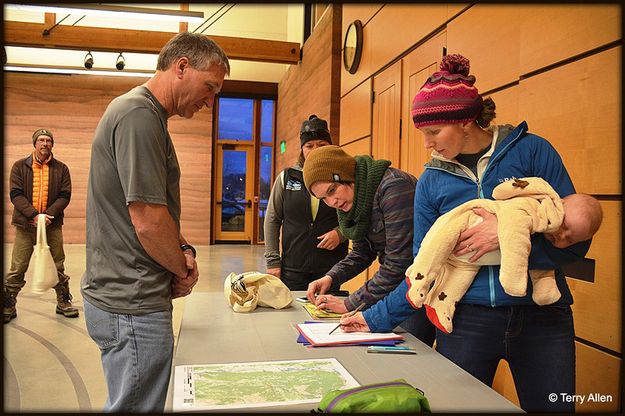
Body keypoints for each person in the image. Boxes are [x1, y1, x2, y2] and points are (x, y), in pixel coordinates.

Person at [339, 54, 592, 412]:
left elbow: (576, 240)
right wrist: (372, 317)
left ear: (466, 120)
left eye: (433, 132)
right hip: (464, 321)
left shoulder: (533, 151)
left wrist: (505, 237)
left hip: (543, 318)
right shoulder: (430, 181)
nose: (427, 143)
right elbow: (422, 267)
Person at [80, 32, 229, 412]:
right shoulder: (138, 115)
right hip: (131, 301)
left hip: (131, 297)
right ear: (181, 67)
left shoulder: (146, 116)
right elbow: (146, 220)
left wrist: (184, 250)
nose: (209, 102)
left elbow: (158, 212)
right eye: (209, 87)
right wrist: (181, 269)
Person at [404, 177, 603, 333]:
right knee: (435, 248)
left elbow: (538, 262)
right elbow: (515, 240)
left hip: (474, 260)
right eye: (565, 226)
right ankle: (419, 277)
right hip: (463, 223)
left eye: (569, 240)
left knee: (462, 273)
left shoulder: (544, 233)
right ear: (559, 204)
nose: (561, 236)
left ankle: (440, 304)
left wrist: (544, 288)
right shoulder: (529, 207)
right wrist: (513, 279)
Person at [302, 145, 435, 345]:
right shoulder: (356, 200)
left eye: (332, 190)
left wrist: (350, 303)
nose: (333, 202)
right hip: (399, 288)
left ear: (345, 174)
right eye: (324, 199)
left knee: (410, 356)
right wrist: (331, 277)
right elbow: (362, 253)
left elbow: (400, 263)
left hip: (421, 289)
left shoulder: (394, 188)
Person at [264, 115, 349, 290]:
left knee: (326, 315)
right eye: (309, 146)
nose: (315, 150)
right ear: (302, 149)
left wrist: (340, 234)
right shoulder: (286, 178)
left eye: (321, 145)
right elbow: (272, 219)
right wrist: (273, 261)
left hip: (331, 269)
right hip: (293, 268)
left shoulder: (344, 175)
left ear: (330, 147)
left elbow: (357, 215)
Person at [4, 128, 78, 323]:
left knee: (58, 264)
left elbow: (65, 195)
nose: (45, 144)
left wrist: (48, 216)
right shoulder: (19, 167)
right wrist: (34, 215)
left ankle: (63, 301)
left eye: (48, 141)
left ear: (52, 144)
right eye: (41, 140)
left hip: (51, 226)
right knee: (17, 267)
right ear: (34, 144)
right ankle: (8, 304)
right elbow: (15, 194)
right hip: (25, 226)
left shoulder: (61, 169)